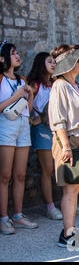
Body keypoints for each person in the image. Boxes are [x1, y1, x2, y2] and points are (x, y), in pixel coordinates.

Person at [48, 44, 79, 248]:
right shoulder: (60, 85)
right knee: (70, 189)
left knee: (75, 189)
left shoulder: (75, 85)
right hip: (68, 140)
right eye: (77, 59)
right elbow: (58, 119)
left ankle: (69, 230)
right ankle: (68, 236)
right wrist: (66, 146)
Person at [0, 41, 38, 235]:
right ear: (2, 58)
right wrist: (15, 97)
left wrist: (29, 96)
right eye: (12, 53)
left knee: (20, 174)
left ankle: (18, 215)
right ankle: (3, 218)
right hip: (5, 126)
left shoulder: (22, 79)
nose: (17, 56)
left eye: (17, 53)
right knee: (5, 175)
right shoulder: (0, 79)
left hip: (23, 126)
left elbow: (28, 111)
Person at [27, 52, 63, 221]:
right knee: (48, 169)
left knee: (61, 167)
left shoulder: (56, 84)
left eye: (54, 61)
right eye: (49, 61)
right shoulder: (35, 85)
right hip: (42, 129)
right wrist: (33, 120)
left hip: (56, 129)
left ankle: (66, 202)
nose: (53, 64)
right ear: (41, 64)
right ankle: (50, 206)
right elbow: (26, 107)